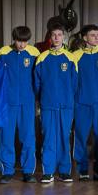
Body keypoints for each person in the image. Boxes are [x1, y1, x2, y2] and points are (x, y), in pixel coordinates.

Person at [34, 25, 79, 184]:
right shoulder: (42, 57)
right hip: (48, 105)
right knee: (48, 138)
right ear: (50, 38)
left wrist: (68, 99)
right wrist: (42, 99)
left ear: (63, 37)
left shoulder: (71, 57)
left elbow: (75, 83)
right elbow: (37, 83)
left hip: (66, 105)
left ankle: (64, 171)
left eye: (60, 35)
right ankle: (48, 172)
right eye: (54, 35)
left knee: (64, 138)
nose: (57, 37)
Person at [0, 26, 39, 183]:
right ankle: (7, 171)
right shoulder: (3, 52)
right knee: (6, 137)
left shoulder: (34, 53)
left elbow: (39, 78)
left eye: (25, 41)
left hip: (27, 102)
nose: (22, 44)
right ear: (14, 39)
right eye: (19, 41)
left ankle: (28, 171)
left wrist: (38, 99)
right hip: (7, 102)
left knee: (28, 137)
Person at [74, 24, 98, 181]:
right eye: (92, 35)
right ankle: (82, 170)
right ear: (85, 38)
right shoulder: (75, 56)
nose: (97, 37)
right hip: (82, 103)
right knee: (81, 137)